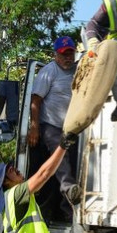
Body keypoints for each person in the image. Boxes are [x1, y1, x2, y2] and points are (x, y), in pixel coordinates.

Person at [29, 36, 80, 212]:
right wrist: (34, 127)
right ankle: (68, 186)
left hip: (71, 126)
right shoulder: (49, 72)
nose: (67, 57)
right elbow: (35, 100)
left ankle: (68, 208)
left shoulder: (79, 70)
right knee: (61, 153)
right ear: (55, 55)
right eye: (63, 54)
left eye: (70, 53)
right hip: (50, 124)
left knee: (75, 162)